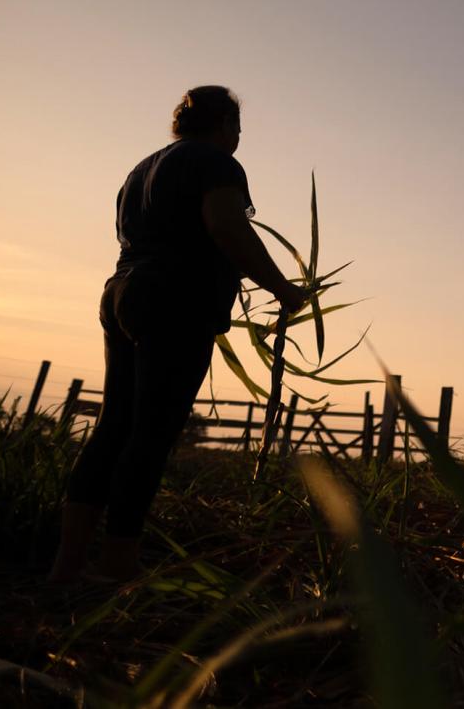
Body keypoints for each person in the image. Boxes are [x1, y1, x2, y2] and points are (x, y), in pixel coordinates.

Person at [49, 86, 307, 583]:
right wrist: (283, 288)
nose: (238, 137)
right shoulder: (216, 163)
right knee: (151, 434)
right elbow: (227, 228)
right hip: (175, 299)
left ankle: (68, 564)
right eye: (237, 127)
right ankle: (118, 563)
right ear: (224, 125)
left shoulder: (141, 170)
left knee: (115, 426)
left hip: (122, 292)